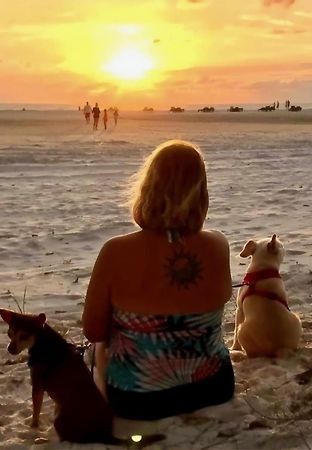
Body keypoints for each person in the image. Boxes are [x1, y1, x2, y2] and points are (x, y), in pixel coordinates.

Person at [82, 140, 235, 421]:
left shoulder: (116, 251)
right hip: (213, 388)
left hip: (139, 400)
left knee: (95, 351)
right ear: (201, 193)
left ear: (147, 188)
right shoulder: (218, 244)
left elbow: (94, 332)